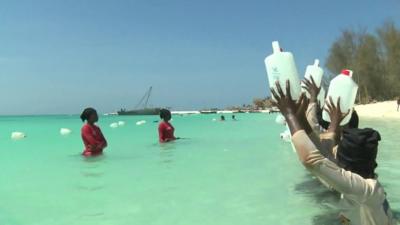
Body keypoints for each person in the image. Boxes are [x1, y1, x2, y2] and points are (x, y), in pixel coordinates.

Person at [271, 80, 396, 225]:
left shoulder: (364, 190)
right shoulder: (368, 187)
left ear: (345, 166)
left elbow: (313, 160)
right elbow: (322, 153)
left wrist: (289, 115)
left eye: (338, 159)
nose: (333, 161)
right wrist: (300, 118)